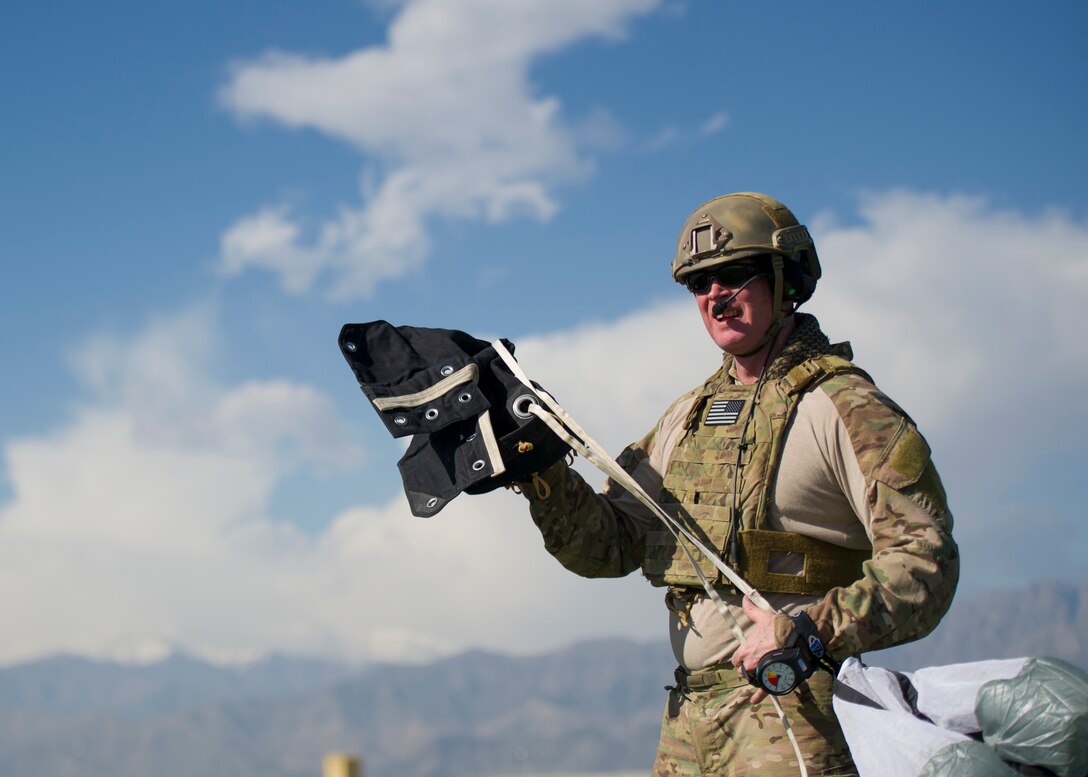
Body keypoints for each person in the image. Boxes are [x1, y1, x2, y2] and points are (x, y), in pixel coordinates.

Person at [513, 192, 960, 776]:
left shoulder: (846, 407)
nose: (715, 297)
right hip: (688, 721)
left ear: (784, 279)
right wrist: (537, 469)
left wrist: (810, 630)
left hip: (795, 715)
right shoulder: (686, 418)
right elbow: (610, 546)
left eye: (733, 275)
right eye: (699, 284)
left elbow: (925, 562)